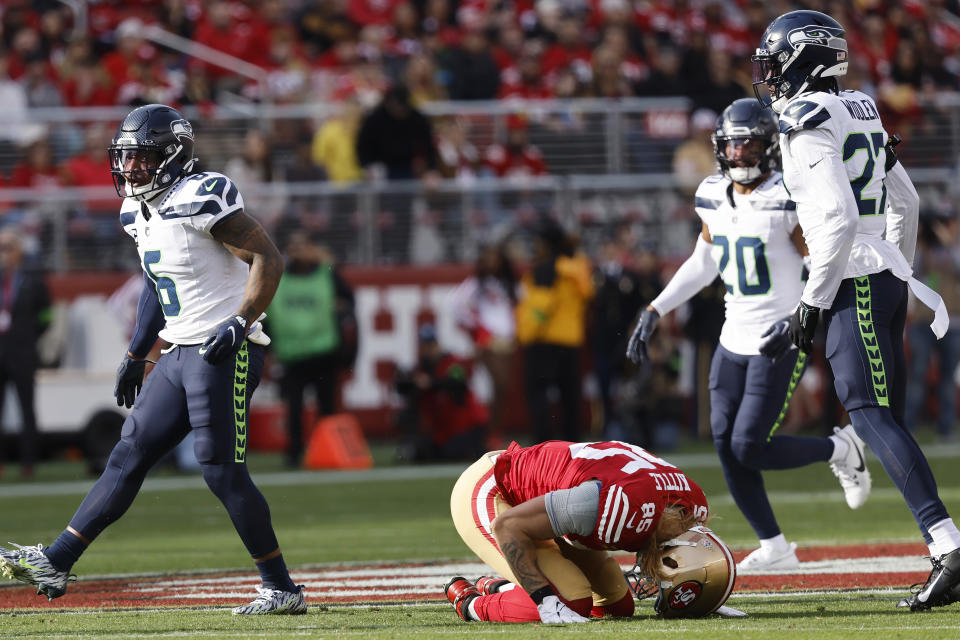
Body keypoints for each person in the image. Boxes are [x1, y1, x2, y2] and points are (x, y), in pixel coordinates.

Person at [0, 104, 305, 615]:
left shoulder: (201, 195)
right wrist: (136, 351)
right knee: (129, 451)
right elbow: (153, 281)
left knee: (219, 470)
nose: (129, 169)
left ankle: (280, 587)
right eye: (125, 159)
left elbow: (268, 258)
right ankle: (57, 558)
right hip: (178, 350)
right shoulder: (136, 211)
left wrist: (240, 319)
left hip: (223, 350)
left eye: (140, 159)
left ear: (171, 156)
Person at [751, 10, 960, 611]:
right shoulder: (860, 106)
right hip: (880, 275)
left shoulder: (807, 117)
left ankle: (947, 545)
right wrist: (898, 264)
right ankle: (941, 545)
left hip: (853, 280)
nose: (769, 74)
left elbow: (838, 219)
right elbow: (908, 201)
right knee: (878, 416)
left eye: (776, 60)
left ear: (803, 57)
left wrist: (815, 299)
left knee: (868, 415)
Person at [627, 98, 872, 571]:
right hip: (731, 335)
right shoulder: (712, 193)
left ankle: (841, 447)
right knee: (725, 444)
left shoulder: (786, 198)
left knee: (748, 445)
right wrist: (656, 307)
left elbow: (818, 267)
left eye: (750, 145)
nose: (740, 154)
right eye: (733, 145)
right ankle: (776, 546)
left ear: (769, 148)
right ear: (720, 149)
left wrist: (799, 319)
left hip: (780, 336)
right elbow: (703, 263)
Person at [443, 440, 735, 623]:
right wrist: (545, 600)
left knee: (616, 604)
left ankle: (500, 587)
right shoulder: (621, 507)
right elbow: (507, 526)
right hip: (496, 489)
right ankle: (470, 603)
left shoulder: (690, 509)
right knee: (572, 600)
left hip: (556, 503)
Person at [266, 232, 355, 468]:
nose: (297, 252)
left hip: (323, 352)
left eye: (301, 246)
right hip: (292, 354)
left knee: (326, 408)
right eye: (293, 247)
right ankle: (294, 454)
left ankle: (326, 451)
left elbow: (348, 304)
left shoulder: (327, 273)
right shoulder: (279, 277)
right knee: (293, 409)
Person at [515, 221, 594, 443]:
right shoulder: (576, 266)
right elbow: (587, 295)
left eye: (537, 241)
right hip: (570, 340)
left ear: (546, 243)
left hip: (543, 340)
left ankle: (543, 445)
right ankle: (574, 446)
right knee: (570, 397)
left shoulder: (545, 268)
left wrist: (526, 333)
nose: (534, 246)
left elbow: (542, 306)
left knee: (538, 394)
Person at [448, 242, 517, 446]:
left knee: (502, 389)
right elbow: (454, 304)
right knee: (500, 383)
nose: (491, 263)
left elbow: (519, 306)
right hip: (489, 342)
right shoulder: (476, 284)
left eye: (494, 258)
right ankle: (490, 432)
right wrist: (477, 330)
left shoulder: (508, 283)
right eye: (487, 258)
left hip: (508, 342)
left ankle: (493, 430)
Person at [395, 324, 488, 462]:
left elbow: (456, 381)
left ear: (437, 344)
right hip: (443, 432)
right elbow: (404, 389)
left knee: (451, 453)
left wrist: (431, 383)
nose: (428, 349)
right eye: (425, 345)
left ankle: (480, 448)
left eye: (431, 344)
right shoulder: (422, 368)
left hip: (468, 427)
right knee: (423, 454)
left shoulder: (453, 363)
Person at [0, 230, 51, 479]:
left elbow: (46, 315)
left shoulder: (32, 278)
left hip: (22, 352)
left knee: (27, 409)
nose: (3, 253)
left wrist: (29, 335)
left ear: (19, 250)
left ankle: (28, 463)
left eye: (8, 247)